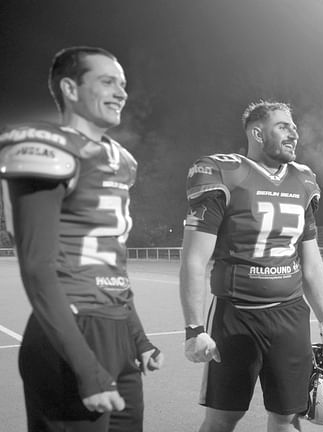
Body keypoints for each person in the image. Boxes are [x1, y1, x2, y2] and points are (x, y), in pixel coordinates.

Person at [0, 46, 163, 431]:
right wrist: (86, 368)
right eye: (108, 82)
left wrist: (137, 337)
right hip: (70, 331)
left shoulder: (121, 160)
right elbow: (37, 268)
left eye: (123, 84)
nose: (121, 93)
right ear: (70, 89)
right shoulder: (46, 147)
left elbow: (112, 266)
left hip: (117, 333)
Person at [179, 100, 323, 432]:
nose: (293, 132)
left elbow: (312, 263)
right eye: (283, 126)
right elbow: (194, 258)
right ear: (257, 133)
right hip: (237, 315)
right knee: (223, 418)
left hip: (290, 316)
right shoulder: (224, 173)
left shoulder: (303, 180)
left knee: (287, 417)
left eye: (294, 126)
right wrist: (194, 329)